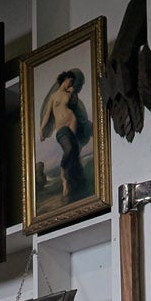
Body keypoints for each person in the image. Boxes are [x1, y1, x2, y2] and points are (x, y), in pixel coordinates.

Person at [39, 67, 93, 203]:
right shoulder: (53, 97)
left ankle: (73, 182)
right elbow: (47, 114)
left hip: (72, 123)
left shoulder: (70, 94)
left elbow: (77, 108)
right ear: (66, 79)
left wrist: (73, 93)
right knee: (69, 149)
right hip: (61, 128)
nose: (71, 84)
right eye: (71, 81)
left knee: (74, 151)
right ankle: (63, 175)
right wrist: (42, 130)